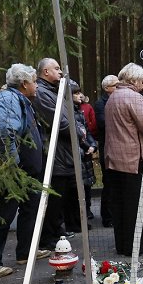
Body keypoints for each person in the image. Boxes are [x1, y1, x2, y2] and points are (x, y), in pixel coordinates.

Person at [0, 64, 47, 278]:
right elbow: (1, 130)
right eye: (34, 81)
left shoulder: (20, 100)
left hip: (26, 172)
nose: (37, 85)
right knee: (2, 214)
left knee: (30, 209)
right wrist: (12, 163)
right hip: (10, 173)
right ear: (24, 83)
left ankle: (25, 252)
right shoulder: (8, 100)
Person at [106, 63, 143, 256]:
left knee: (120, 205)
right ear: (134, 80)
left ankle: (122, 245)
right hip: (134, 159)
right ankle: (135, 247)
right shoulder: (134, 98)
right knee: (136, 206)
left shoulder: (112, 97)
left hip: (114, 159)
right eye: (141, 82)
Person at [33, 57, 79, 239]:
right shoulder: (43, 93)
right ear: (45, 72)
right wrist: (77, 132)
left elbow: (69, 117)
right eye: (57, 68)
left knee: (60, 197)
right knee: (53, 198)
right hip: (55, 153)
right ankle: (49, 237)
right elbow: (59, 123)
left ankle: (57, 233)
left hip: (63, 153)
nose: (61, 72)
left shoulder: (54, 91)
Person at [71, 83, 98, 223]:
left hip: (86, 154)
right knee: (78, 187)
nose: (80, 95)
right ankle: (78, 218)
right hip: (79, 155)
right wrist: (87, 146)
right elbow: (77, 134)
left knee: (87, 186)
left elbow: (87, 131)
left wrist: (93, 145)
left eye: (79, 92)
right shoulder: (69, 113)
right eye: (76, 93)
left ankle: (86, 212)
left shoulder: (80, 111)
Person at [94, 74, 119, 228]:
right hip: (107, 147)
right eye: (116, 85)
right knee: (108, 183)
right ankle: (107, 217)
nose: (118, 87)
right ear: (107, 88)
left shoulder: (117, 100)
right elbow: (103, 123)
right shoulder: (100, 104)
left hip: (117, 147)